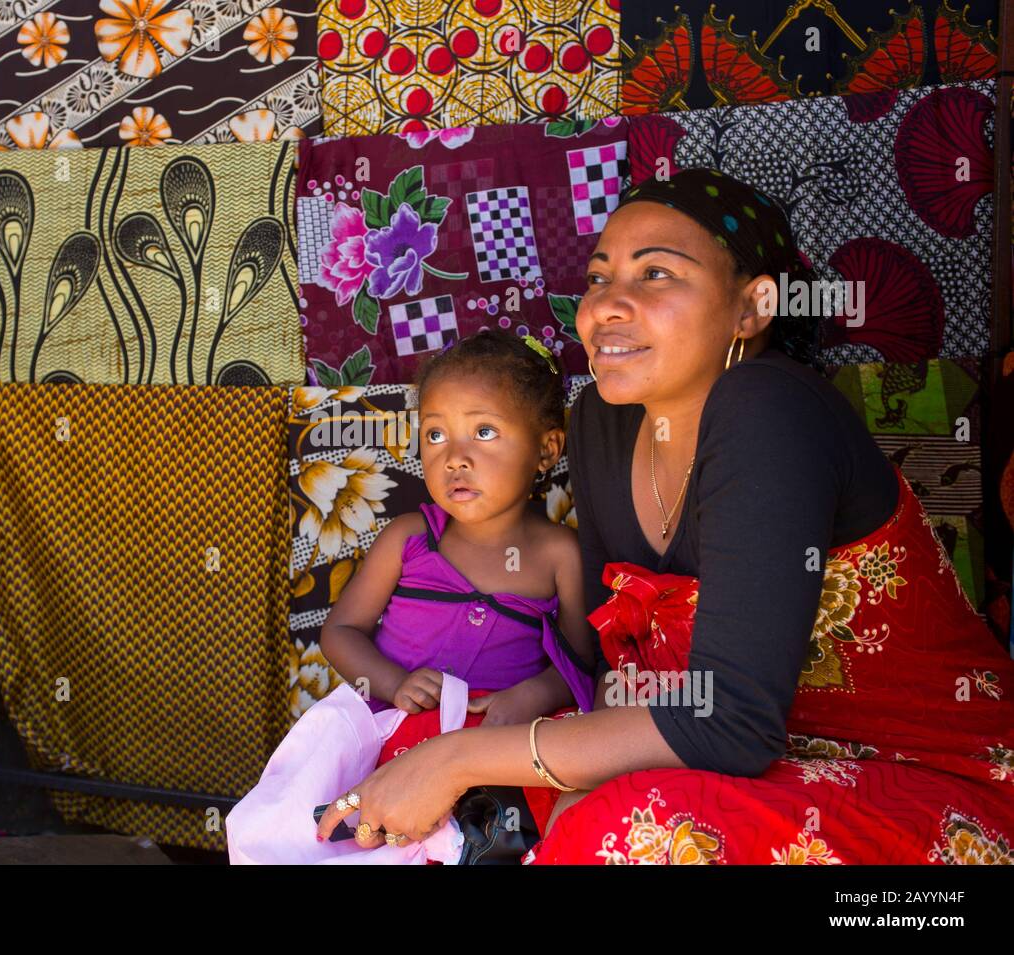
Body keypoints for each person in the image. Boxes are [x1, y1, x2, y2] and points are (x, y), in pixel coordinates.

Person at [315, 167, 1014, 864]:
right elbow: (612, 662)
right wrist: (501, 763)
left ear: (752, 308)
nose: (605, 307)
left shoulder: (772, 408)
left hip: (927, 780)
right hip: (728, 759)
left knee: (617, 828)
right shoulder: (600, 423)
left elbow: (733, 722)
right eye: (598, 277)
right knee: (421, 743)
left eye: (655, 274)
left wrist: (463, 761)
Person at [319, 328, 594, 731]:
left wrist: (536, 693)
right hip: (392, 735)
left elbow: (582, 662)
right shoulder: (409, 539)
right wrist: (395, 684)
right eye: (435, 435)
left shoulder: (561, 555)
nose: (454, 459)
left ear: (546, 450)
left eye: (484, 432)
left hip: (496, 748)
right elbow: (341, 632)